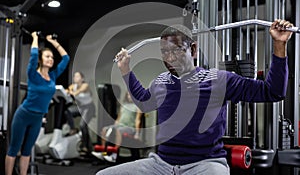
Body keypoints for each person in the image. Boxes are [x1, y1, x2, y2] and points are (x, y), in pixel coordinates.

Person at [95, 19, 293, 175]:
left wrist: (279, 44)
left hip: (206, 165)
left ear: (193, 49)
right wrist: (125, 70)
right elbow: (144, 102)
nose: (170, 58)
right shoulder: (161, 81)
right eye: (164, 52)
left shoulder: (218, 80)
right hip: (161, 164)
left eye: (176, 50)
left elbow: (273, 91)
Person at [5, 32, 69, 175]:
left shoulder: (52, 76)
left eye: (52, 57)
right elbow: (33, 55)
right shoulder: (33, 74)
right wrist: (35, 38)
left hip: (38, 118)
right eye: (47, 56)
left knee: (27, 151)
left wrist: (52, 42)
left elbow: (66, 58)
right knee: (14, 149)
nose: (51, 59)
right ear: (41, 59)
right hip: (23, 115)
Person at [92, 91, 142, 162]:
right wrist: (113, 127)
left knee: (118, 131)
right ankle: (103, 153)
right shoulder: (123, 105)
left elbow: (138, 120)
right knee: (105, 129)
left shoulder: (138, 107)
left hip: (130, 128)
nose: (129, 97)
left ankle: (114, 156)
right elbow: (118, 118)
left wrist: (137, 133)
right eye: (128, 95)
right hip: (120, 125)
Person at [64, 71, 96, 154]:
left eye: (77, 76)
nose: (75, 78)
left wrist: (70, 92)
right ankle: (73, 128)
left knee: (82, 125)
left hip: (89, 108)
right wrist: (67, 91)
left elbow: (77, 92)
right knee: (68, 111)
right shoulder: (73, 86)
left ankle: (85, 146)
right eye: (74, 76)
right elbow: (67, 91)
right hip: (80, 107)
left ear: (82, 78)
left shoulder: (85, 85)